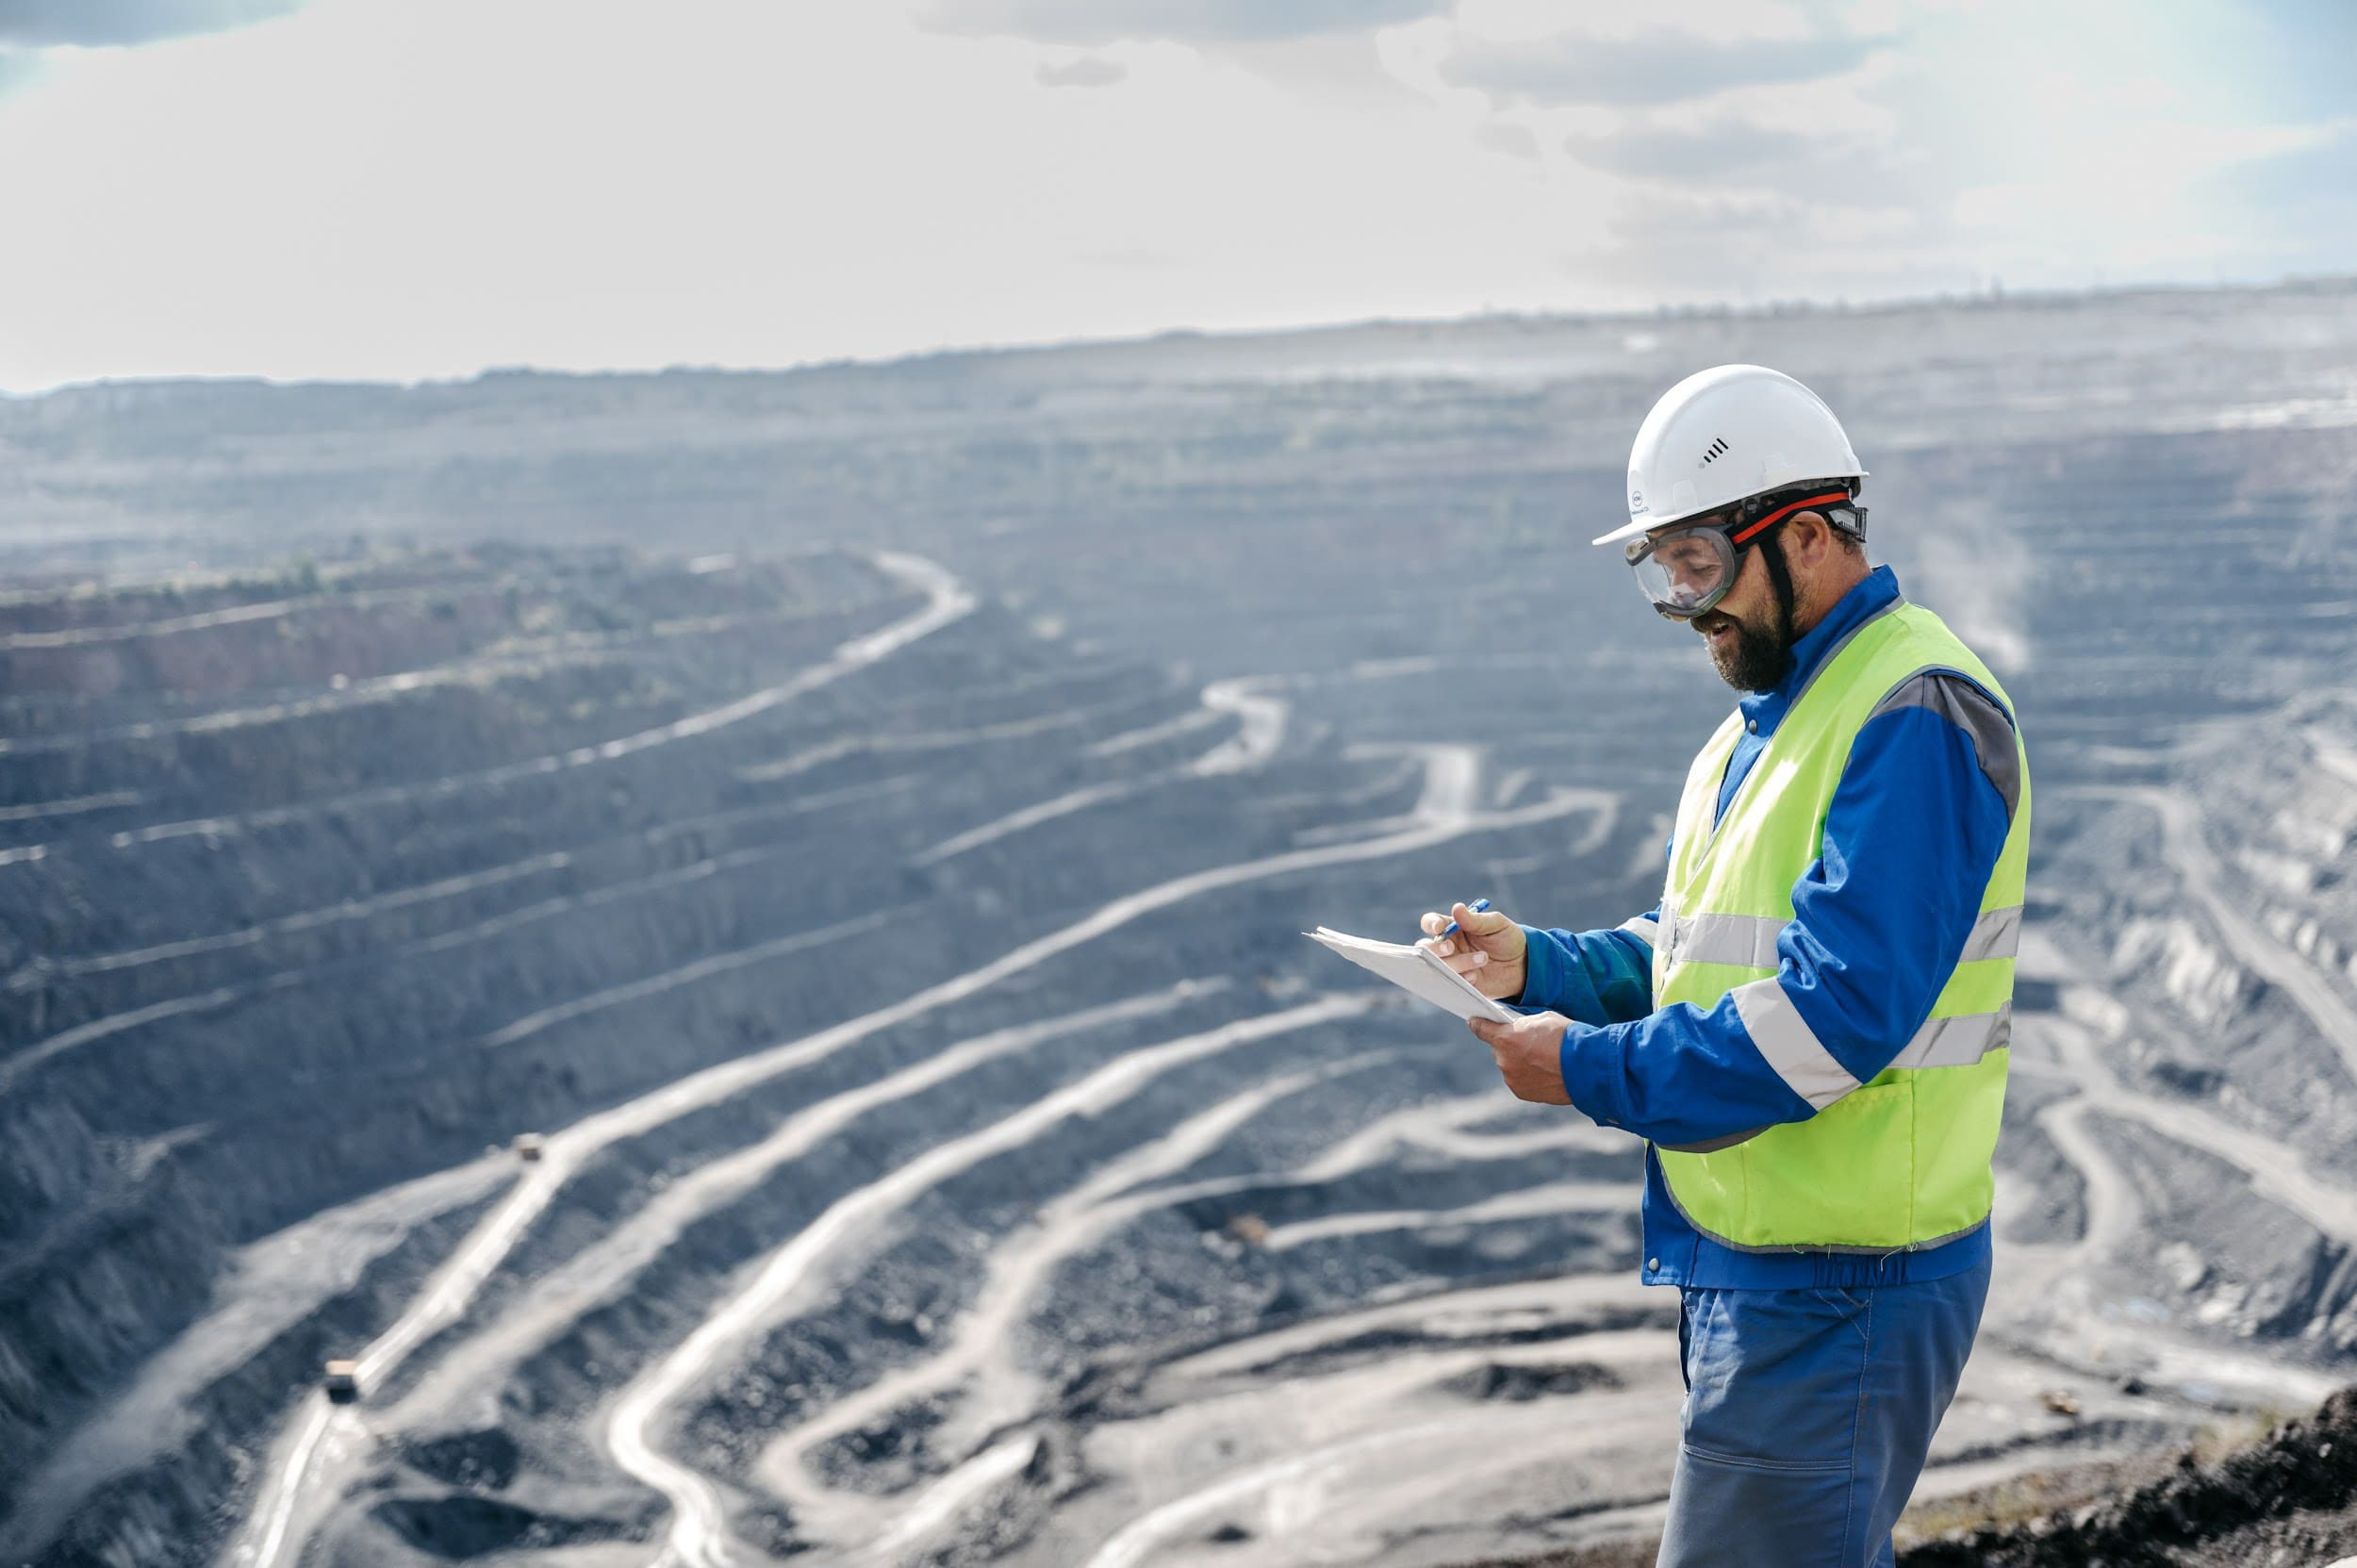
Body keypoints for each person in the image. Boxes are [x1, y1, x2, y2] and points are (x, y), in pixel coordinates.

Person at [1421, 364, 2028, 1568]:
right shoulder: (1767, 719)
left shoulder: (1914, 709)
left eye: (1698, 561)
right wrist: (1541, 963)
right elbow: (1696, 949)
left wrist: (1589, 1071)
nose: (1682, 604)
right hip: (1773, 1275)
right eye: (1660, 568)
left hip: (1842, 1284)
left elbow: (1835, 1009)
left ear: (1804, 534)